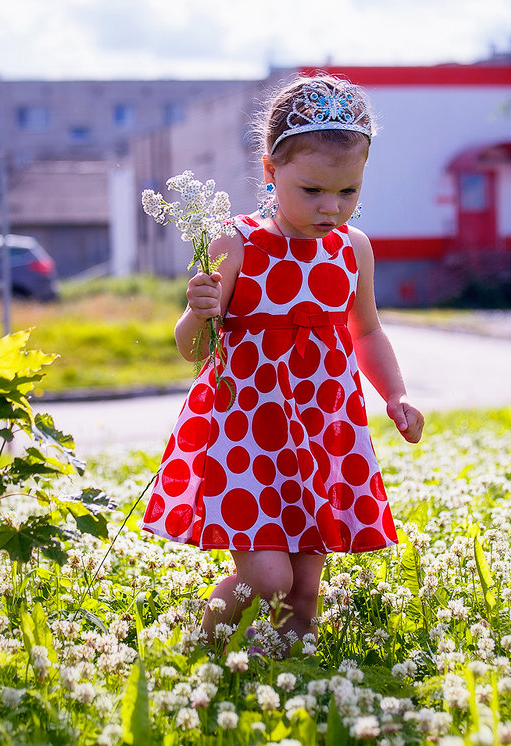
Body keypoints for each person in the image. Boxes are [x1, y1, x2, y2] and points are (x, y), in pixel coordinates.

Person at [141, 73, 424, 653]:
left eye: (349, 192)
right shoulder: (238, 243)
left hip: (322, 430)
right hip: (247, 432)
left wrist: (394, 394)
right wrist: (197, 314)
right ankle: (204, 647)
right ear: (270, 172)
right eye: (313, 191)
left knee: (304, 587)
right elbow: (195, 350)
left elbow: (365, 329)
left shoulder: (354, 249)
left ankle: (292, 674)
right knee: (268, 577)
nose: (332, 208)